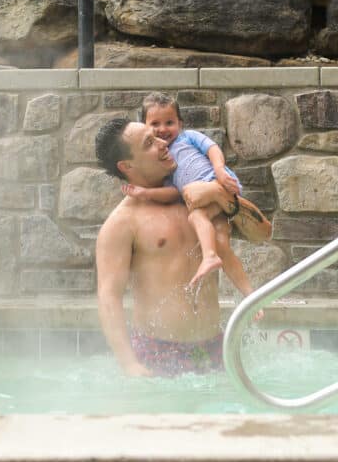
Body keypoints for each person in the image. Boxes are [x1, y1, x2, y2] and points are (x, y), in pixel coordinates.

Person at [95, 117, 237, 377]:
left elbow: (256, 229)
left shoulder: (194, 198)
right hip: (158, 354)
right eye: (149, 143)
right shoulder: (123, 223)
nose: (163, 143)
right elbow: (108, 297)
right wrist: (129, 365)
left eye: (157, 136)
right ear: (127, 166)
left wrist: (221, 196)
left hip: (215, 347)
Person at [121, 92, 270, 292]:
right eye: (155, 124)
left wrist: (219, 170)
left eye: (169, 122)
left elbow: (212, 149)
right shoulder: (164, 163)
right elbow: (173, 192)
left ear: (180, 123)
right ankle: (249, 295)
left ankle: (209, 257)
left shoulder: (188, 137)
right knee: (221, 245)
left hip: (218, 183)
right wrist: (144, 193)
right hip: (205, 205)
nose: (163, 129)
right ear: (145, 126)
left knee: (196, 219)